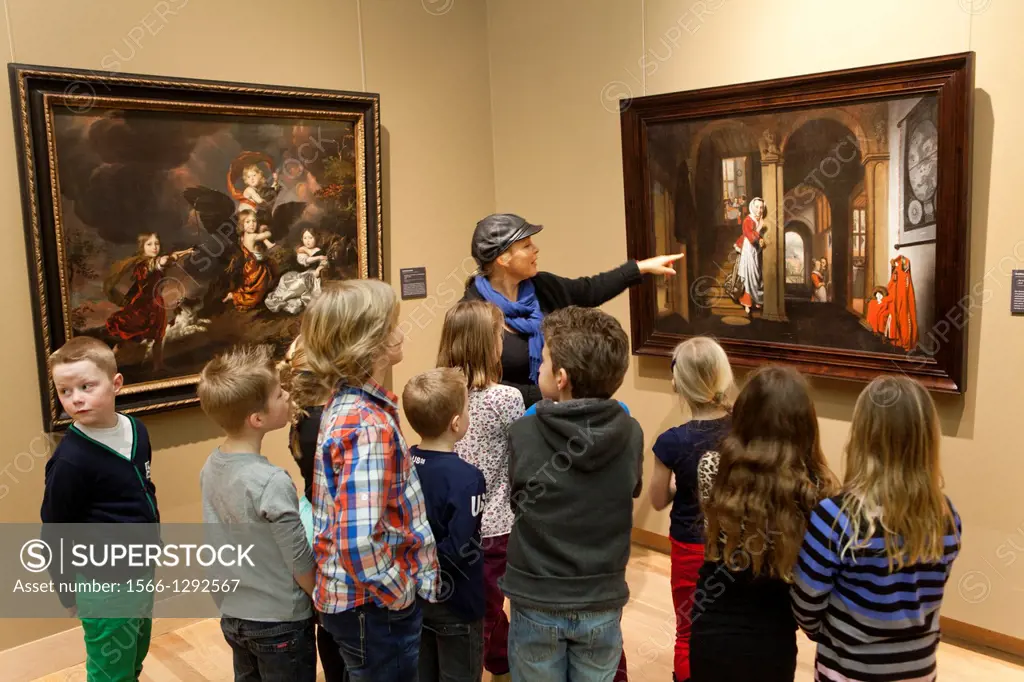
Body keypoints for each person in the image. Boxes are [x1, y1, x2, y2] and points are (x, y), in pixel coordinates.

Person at [301, 280, 440, 682]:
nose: (400, 332)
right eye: (390, 325)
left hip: (351, 602)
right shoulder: (369, 424)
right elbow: (358, 539)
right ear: (367, 343)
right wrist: (399, 593)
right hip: (374, 607)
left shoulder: (345, 405)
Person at [502, 306, 644, 682]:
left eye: (544, 360)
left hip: (536, 596)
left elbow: (517, 500)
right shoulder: (632, 432)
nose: (538, 366)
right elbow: (629, 488)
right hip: (602, 595)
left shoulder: (523, 433)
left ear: (561, 378)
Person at [791, 375, 962, 682]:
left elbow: (805, 605)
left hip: (848, 670)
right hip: (918, 669)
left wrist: (829, 633)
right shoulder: (947, 517)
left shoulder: (834, 518)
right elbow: (929, 593)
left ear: (861, 435)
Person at [690, 365, 838, 682]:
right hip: (774, 633)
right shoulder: (816, 489)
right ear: (805, 425)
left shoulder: (712, 468)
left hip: (712, 626)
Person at [461, 212, 683, 407]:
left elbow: (589, 290)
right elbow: (476, 383)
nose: (536, 249)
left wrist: (639, 268)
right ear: (503, 258)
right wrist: (542, 394)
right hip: (505, 428)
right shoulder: (472, 311)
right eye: (527, 246)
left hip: (550, 415)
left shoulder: (542, 285)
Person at [40, 336, 159, 682]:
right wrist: (67, 592)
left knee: (135, 650)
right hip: (103, 582)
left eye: (86, 386)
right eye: (65, 391)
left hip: (141, 569)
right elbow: (55, 530)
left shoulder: (137, 429)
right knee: (110, 671)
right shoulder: (70, 461)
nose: (75, 398)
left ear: (116, 383)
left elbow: (143, 491)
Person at [197, 344, 317, 682]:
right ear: (258, 419)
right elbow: (298, 559)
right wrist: (320, 597)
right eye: (279, 394)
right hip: (280, 622)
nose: (288, 397)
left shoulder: (211, 466)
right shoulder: (271, 482)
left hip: (234, 616)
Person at [436, 301, 524, 681]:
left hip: (446, 520)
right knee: (484, 611)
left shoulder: (435, 391)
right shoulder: (507, 398)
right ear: (487, 343)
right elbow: (522, 457)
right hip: (494, 525)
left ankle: (500, 665)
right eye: (499, 335)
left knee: (474, 603)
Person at [649, 337, 735, 682]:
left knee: (687, 630)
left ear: (676, 382)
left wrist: (680, 485)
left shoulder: (671, 441)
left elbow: (657, 499)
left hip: (689, 545)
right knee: (729, 623)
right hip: (736, 543)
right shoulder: (742, 428)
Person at [403, 368, 488, 682]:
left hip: (414, 598)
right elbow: (459, 548)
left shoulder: (404, 463)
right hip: (457, 603)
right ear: (456, 423)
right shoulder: (467, 479)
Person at [279, 335, 348, 682]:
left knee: (327, 616)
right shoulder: (329, 422)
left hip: (315, 517)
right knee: (342, 618)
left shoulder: (302, 417)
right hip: (336, 522)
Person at [104, 231, 194, 370]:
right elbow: (168, 258)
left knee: (158, 336)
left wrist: (186, 251)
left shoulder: (147, 262)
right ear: (142, 247)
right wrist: (178, 255)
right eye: (150, 244)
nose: (154, 247)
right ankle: (106, 363)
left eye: (157, 243)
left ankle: (158, 365)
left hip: (156, 303)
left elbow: (172, 256)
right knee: (132, 339)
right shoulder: (149, 263)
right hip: (144, 305)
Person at [731, 197, 766, 314]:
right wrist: (759, 238)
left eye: (761, 207)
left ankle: (756, 299)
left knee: (757, 274)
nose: (759, 210)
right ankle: (747, 303)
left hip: (756, 250)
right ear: (752, 207)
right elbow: (748, 232)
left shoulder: (761, 219)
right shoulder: (748, 219)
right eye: (757, 207)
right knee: (748, 274)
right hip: (748, 249)